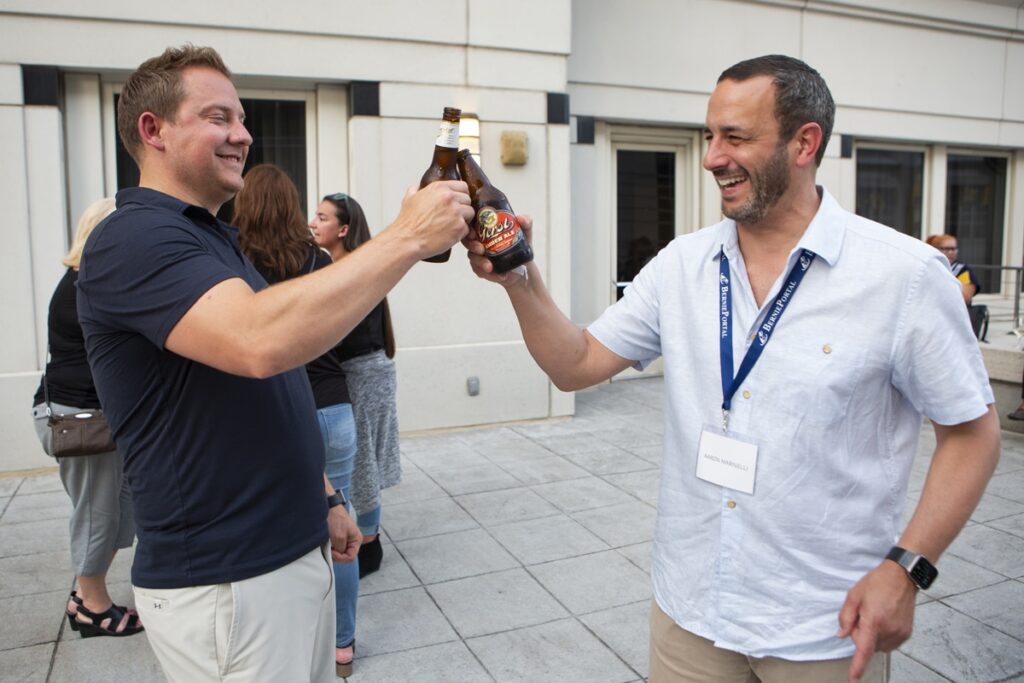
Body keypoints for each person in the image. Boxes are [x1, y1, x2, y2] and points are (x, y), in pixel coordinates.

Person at [464, 54, 999, 683]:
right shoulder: (681, 264)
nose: (713, 157)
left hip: (823, 626)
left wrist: (908, 568)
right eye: (710, 135)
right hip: (690, 609)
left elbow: (972, 434)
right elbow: (576, 363)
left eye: (736, 138)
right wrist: (520, 281)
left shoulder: (903, 277)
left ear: (805, 144)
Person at [76, 45, 472, 682]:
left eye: (242, 117)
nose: (243, 134)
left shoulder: (212, 237)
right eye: (218, 117)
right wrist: (405, 237)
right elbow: (259, 342)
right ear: (154, 131)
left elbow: (275, 382)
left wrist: (324, 497)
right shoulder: (133, 237)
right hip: (226, 581)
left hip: (285, 557)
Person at [234, 165, 361, 677]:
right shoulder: (319, 258)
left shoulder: (233, 262)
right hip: (332, 405)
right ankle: (343, 644)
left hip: (275, 411)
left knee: (277, 525)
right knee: (343, 525)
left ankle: (288, 640)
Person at [30, 197, 143, 639]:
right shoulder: (89, 282)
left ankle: (86, 593)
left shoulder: (87, 278)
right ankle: (91, 606)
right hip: (80, 417)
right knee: (97, 514)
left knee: (120, 508)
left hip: (95, 412)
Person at [311, 192, 401, 577]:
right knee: (365, 457)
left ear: (343, 229)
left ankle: (370, 543)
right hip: (369, 370)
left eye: (321, 217)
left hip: (364, 372)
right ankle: (369, 536)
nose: (312, 223)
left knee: (363, 459)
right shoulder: (346, 266)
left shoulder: (347, 270)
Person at [926, 234, 980, 304]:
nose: (951, 252)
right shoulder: (926, 267)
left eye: (953, 249)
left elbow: (965, 298)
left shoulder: (962, 270)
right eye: (946, 249)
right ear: (934, 249)